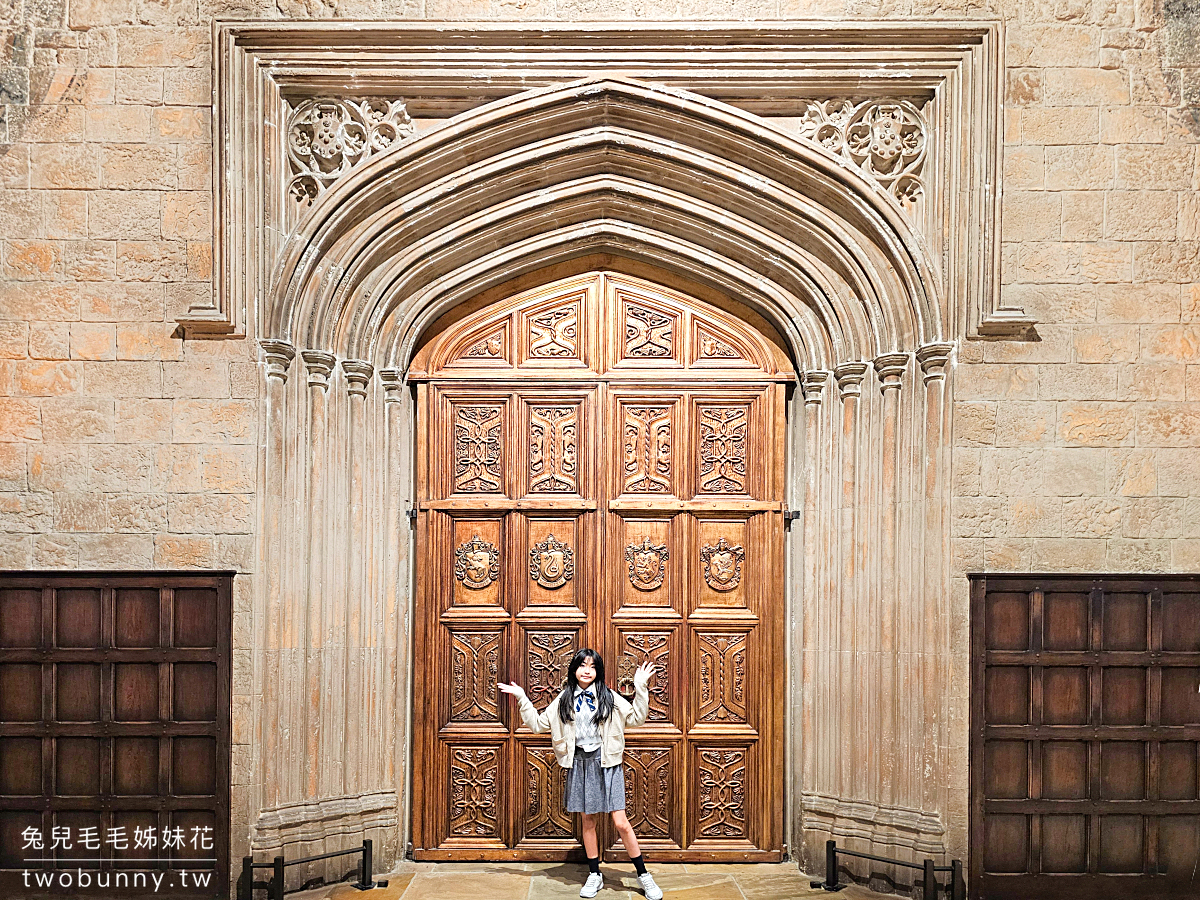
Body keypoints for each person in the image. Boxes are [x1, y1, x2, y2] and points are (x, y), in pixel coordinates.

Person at [498, 649, 663, 900]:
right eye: (582, 665)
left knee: (620, 822)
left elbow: (637, 718)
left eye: (593, 666)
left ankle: (643, 875)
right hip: (580, 763)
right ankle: (594, 874)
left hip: (607, 763)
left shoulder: (608, 696)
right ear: (574, 669)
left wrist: (641, 687)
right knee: (588, 821)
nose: (587, 670)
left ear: (598, 671)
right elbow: (538, 725)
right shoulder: (565, 698)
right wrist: (522, 698)